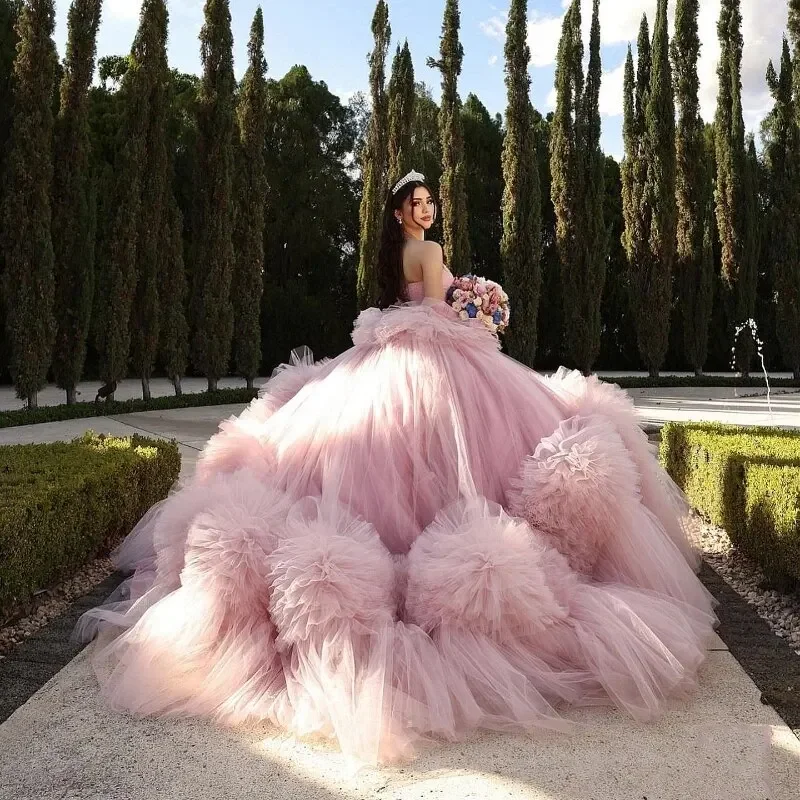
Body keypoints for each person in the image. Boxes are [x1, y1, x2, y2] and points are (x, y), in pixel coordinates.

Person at [75, 170, 717, 766]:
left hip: (392, 357)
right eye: (419, 202)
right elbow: (440, 305)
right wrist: (476, 305)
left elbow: (417, 304)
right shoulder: (431, 254)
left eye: (430, 201)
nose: (428, 208)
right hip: (434, 359)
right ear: (401, 212)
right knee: (462, 449)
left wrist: (470, 304)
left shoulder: (393, 259)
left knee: (353, 453)